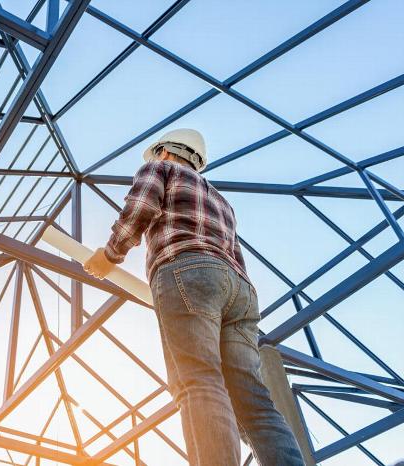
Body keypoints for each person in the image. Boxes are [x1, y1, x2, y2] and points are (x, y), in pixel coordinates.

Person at [83, 129, 305, 466]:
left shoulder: (161, 169)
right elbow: (232, 254)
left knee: (200, 381)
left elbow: (140, 207)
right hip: (240, 291)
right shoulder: (222, 202)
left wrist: (110, 254)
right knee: (254, 403)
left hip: (187, 270)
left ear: (166, 152)